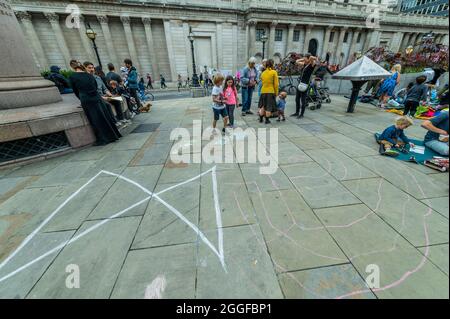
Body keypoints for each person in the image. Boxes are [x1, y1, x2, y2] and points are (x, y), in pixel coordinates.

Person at [69, 60, 121, 145]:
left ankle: (102, 139)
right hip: (97, 98)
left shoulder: (72, 77)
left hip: (86, 99)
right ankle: (113, 136)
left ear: (72, 67)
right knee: (104, 117)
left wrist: (82, 98)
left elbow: (75, 91)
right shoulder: (90, 76)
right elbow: (95, 87)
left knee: (95, 120)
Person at [292, 54, 316, 119]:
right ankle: (297, 112)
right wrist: (304, 59)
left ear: (308, 59)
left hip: (305, 85)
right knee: (297, 99)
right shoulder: (304, 65)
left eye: (305, 58)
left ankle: (301, 114)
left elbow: (311, 57)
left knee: (303, 100)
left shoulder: (312, 65)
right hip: (300, 84)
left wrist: (308, 59)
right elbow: (297, 61)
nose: (304, 60)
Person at [258, 59, 279, 124]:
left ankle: (261, 119)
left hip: (263, 91)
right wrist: (276, 93)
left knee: (263, 106)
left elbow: (262, 81)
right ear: (272, 64)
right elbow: (276, 84)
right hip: (270, 91)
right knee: (269, 107)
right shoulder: (274, 72)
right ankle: (267, 120)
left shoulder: (263, 73)